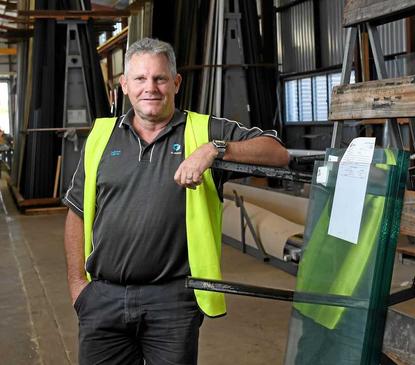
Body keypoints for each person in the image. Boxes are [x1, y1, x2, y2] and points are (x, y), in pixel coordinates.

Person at [62, 38, 289, 364]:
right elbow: (77, 212)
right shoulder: (101, 137)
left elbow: (277, 152)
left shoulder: (203, 131)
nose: (150, 88)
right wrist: (77, 287)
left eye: (160, 78)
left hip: (172, 302)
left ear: (176, 82)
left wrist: (215, 150)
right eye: (140, 79)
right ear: (125, 85)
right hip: (103, 299)